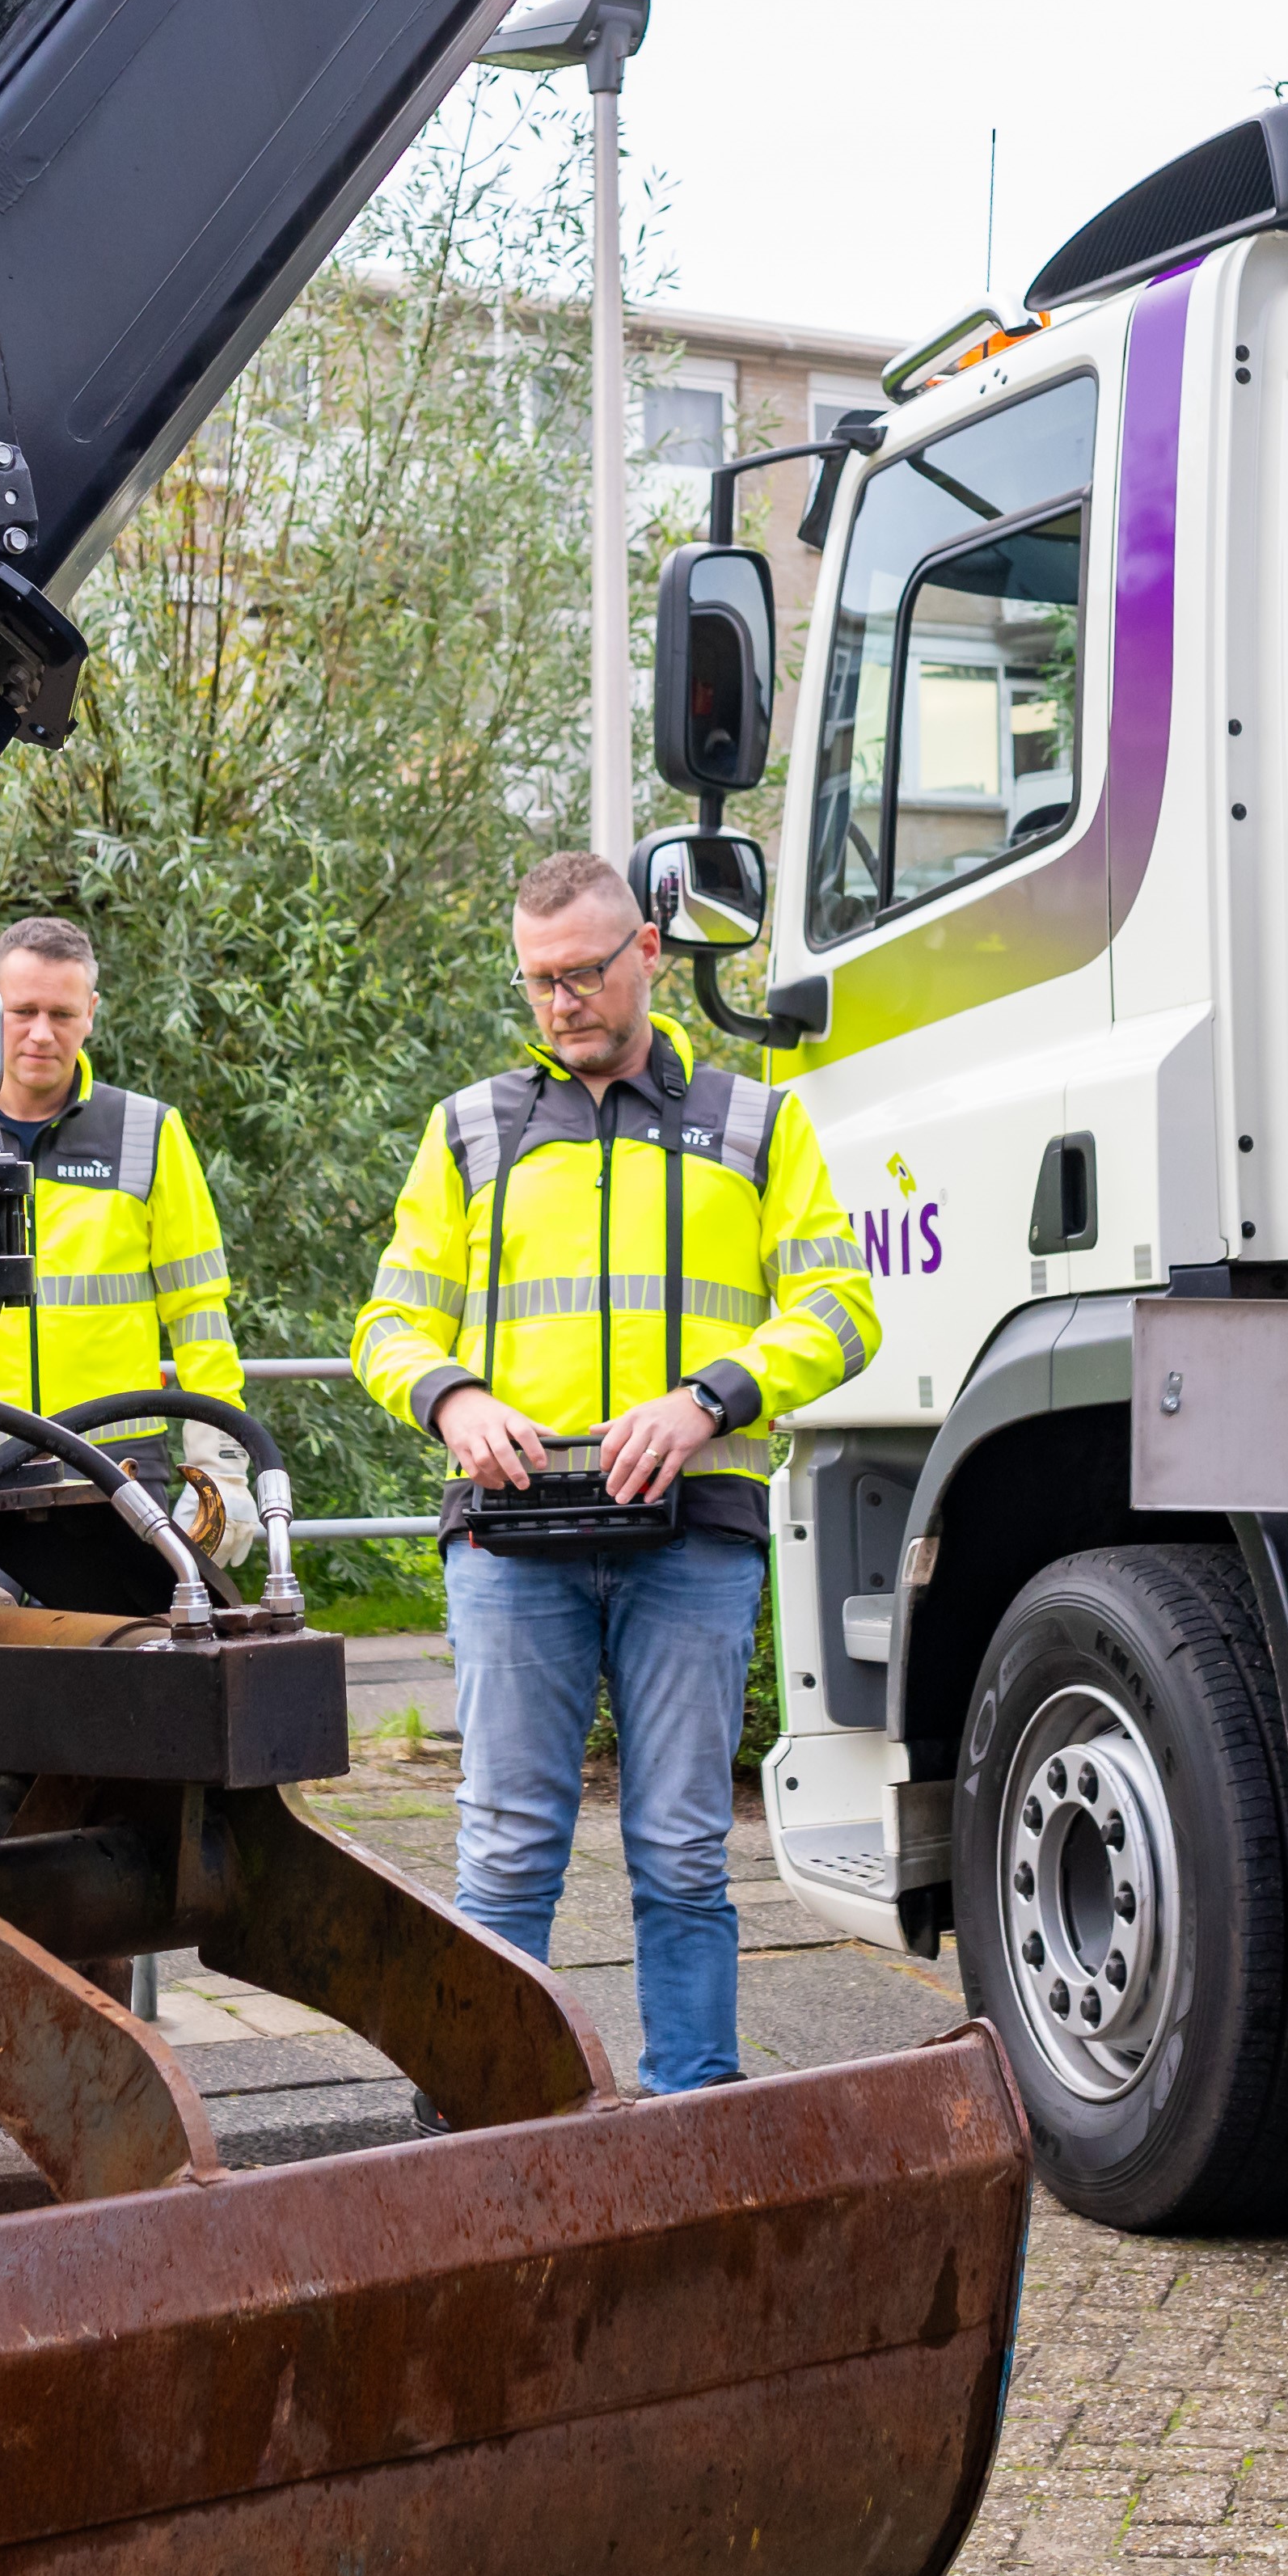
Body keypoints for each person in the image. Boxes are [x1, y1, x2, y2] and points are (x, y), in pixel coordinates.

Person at [350, 849, 875, 2092]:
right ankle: (491, 2120)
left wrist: (710, 1401)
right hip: (509, 1540)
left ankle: (692, 2113)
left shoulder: (756, 1121)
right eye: (537, 982)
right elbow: (386, 1324)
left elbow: (843, 1309)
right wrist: (453, 1396)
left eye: (584, 972)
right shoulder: (471, 1128)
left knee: (685, 1853)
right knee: (505, 1850)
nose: (561, 1002)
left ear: (646, 951)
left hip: (692, 1536)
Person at [0, 914, 243, 1603]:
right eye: (22, 1010)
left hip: (113, 1473)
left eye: (61, 1012)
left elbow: (199, 1314)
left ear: (91, 1013)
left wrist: (223, 1462)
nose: (40, 1032)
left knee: (112, 1686)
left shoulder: (147, 1132)